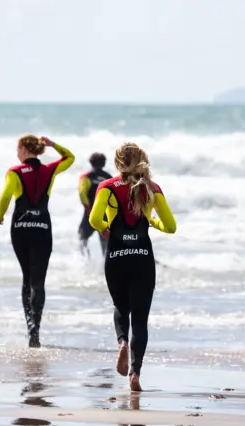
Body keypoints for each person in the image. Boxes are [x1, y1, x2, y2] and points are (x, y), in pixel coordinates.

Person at [89, 142, 176, 391]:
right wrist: (150, 222)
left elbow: (95, 219)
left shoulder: (107, 186)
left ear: (118, 163)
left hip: (116, 256)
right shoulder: (152, 188)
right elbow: (171, 227)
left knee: (120, 306)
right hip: (142, 258)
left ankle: (122, 343)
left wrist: (106, 226)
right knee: (140, 318)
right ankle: (135, 373)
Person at [0, 134, 75, 348]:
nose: (16, 153)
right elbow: (70, 157)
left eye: (17, 148)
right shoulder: (49, 170)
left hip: (20, 228)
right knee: (38, 281)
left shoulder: (15, 172)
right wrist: (53, 145)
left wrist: (0, 216)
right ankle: (35, 332)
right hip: (42, 227)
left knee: (26, 278)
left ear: (23, 149)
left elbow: (5, 196)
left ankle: (29, 326)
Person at [78, 152, 112, 256]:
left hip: (90, 214)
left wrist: (88, 208)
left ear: (91, 162)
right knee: (105, 244)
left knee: (82, 238)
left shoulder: (86, 177)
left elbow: (82, 193)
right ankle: (104, 267)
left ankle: (86, 263)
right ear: (104, 163)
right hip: (105, 216)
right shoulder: (108, 178)